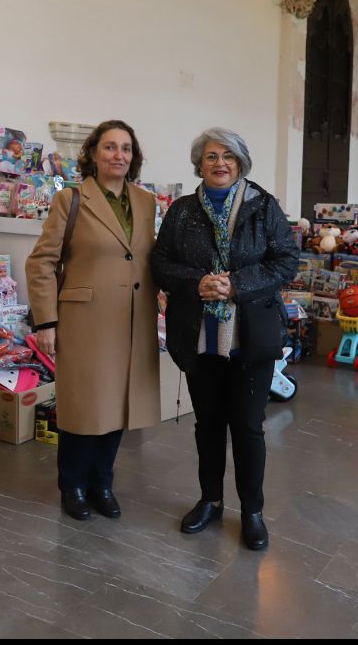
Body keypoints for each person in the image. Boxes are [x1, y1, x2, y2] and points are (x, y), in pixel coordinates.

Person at [150, 128, 298, 550]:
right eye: (212, 156)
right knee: (209, 425)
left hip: (251, 335)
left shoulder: (263, 206)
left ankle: (252, 511)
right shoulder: (181, 211)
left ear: (240, 162)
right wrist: (197, 282)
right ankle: (210, 501)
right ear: (200, 164)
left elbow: (286, 261)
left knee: (248, 426)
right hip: (199, 335)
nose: (220, 163)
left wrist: (237, 284)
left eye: (228, 156)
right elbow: (160, 263)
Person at [26, 120, 160, 521]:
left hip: (132, 320)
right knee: (84, 407)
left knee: (118, 404)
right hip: (85, 320)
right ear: (94, 154)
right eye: (110, 147)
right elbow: (41, 263)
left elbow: (145, 258)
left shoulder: (145, 202)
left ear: (134, 157)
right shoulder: (71, 200)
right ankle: (73, 485)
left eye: (126, 148)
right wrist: (46, 323)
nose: (118, 155)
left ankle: (103, 483)